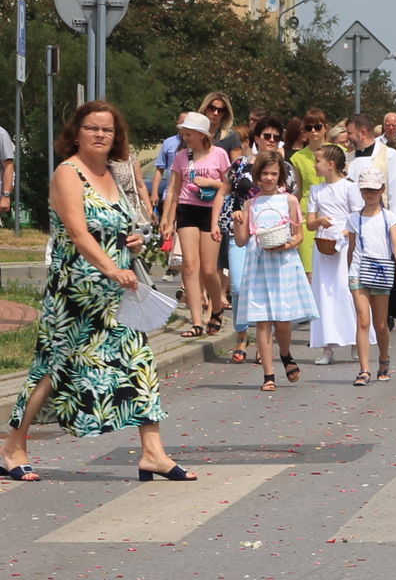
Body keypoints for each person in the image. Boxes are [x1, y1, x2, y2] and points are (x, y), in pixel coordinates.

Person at [3, 101, 194, 482]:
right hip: (77, 291)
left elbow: (124, 227)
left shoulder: (112, 174)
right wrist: (110, 267)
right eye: (92, 128)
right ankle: (13, 447)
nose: (100, 134)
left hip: (118, 291)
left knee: (140, 363)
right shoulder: (68, 173)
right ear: (76, 132)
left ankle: (153, 453)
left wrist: (136, 242)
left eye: (107, 129)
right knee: (53, 368)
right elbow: (77, 232)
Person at [232, 150, 319, 392]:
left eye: (274, 174)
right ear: (257, 176)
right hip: (259, 263)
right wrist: (237, 221)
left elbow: (298, 235)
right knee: (262, 321)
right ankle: (268, 375)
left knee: (282, 320)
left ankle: (285, 353)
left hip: (283, 263)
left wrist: (287, 244)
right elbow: (241, 241)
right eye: (265, 174)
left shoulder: (289, 201)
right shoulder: (251, 204)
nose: (269, 178)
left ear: (280, 176)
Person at [159, 111, 229, 339]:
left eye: (189, 134)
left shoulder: (219, 154)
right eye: (184, 133)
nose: (185, 137)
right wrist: (167, 219)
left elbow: (229, 185)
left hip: (211, 212)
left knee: (209, 269)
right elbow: (174, 189)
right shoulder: (181, 156)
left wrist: (210, 182)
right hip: (187, 210)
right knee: (190, 265)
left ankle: (216, 308)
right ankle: (196, 322)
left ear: (201, 134)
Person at [307, 145, 371, 366]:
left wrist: (345, 232)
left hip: (344, 246)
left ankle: (356, 341)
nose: (315, 165)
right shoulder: (316, 190)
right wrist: (319, 222)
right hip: (324, 245)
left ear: (330, 164)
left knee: (346, 290)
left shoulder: (349, 188)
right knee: (324, 294)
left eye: (318, 161)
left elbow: (357, 216)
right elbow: (309, 223)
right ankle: (327, 347)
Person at [346, 168, 396, 385]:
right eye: (365, 190)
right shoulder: (353, 218)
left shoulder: (389, 217)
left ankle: (383, 359)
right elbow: (351, 248)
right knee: (363, 320)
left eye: (373, 189)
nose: (369, 193)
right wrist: (349, 272)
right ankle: (363, 369)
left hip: (381, 270)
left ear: (381, 190)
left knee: (381, 324)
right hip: (358, 271)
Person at [288, 109, 328, 276]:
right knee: (309, 271)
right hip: (307, 216)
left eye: (317, 127)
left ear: (325, 127)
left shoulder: (338, 151)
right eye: (308, 128)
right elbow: (298, 190)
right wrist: (292, 221)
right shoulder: (297, 157)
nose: (313, 131)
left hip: (332, 214)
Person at [345, 114, 396, 214]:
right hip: (352, 220)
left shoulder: (389, 154)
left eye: (350, 133)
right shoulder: (347, 158)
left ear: (362, 132)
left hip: (381, 219)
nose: (347, 137)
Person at [150, 112, 187, 223]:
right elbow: (159, 169)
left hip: (187, 195)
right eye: (182, 122)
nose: (184, 125)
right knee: (167, 227)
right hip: (170, 194)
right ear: (177, 123)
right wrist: (154, 192)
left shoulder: (195, 144)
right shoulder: (168, 142)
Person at [199, 91, 243, 161]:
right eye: (212, 108)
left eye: (220, 110)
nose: (215, 113)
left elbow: (237, 166)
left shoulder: (231, 136)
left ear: (225, 114)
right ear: (205, 108)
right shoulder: (194, 133)